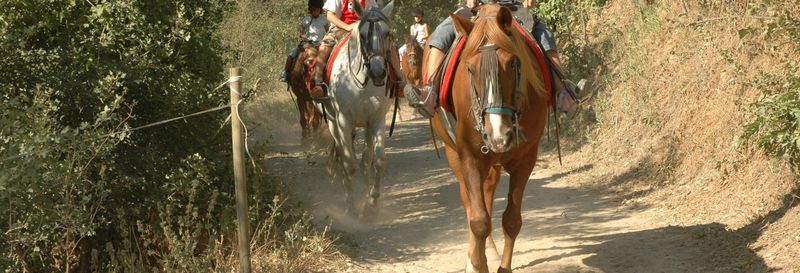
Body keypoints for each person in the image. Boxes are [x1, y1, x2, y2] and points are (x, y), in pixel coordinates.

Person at [405, 0, 589, 118]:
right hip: (477, 8)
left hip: (513, 9)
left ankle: (563, 92)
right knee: (440, 35)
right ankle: (430, 91)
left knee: (544, 35)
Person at [310, 0, 405, 99]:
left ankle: (398, 80)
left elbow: (375, 12)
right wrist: (347, 27)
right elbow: (330, 16)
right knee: (323, 48)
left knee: (390, 46)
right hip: (339, 28)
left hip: (363, 27)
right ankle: (318, 83)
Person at [280, 0, 329, 82]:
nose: (314, 12)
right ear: (310, 9)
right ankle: (285, 73)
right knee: (292, 53)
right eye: (313, 10)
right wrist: (303, 37)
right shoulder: (307, 19)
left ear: (320, 10)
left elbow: (328, 32)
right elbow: (301, 30)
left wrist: (325, 40)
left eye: (316, 10)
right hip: (308, 43)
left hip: (320, 43)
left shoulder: (324, 20)